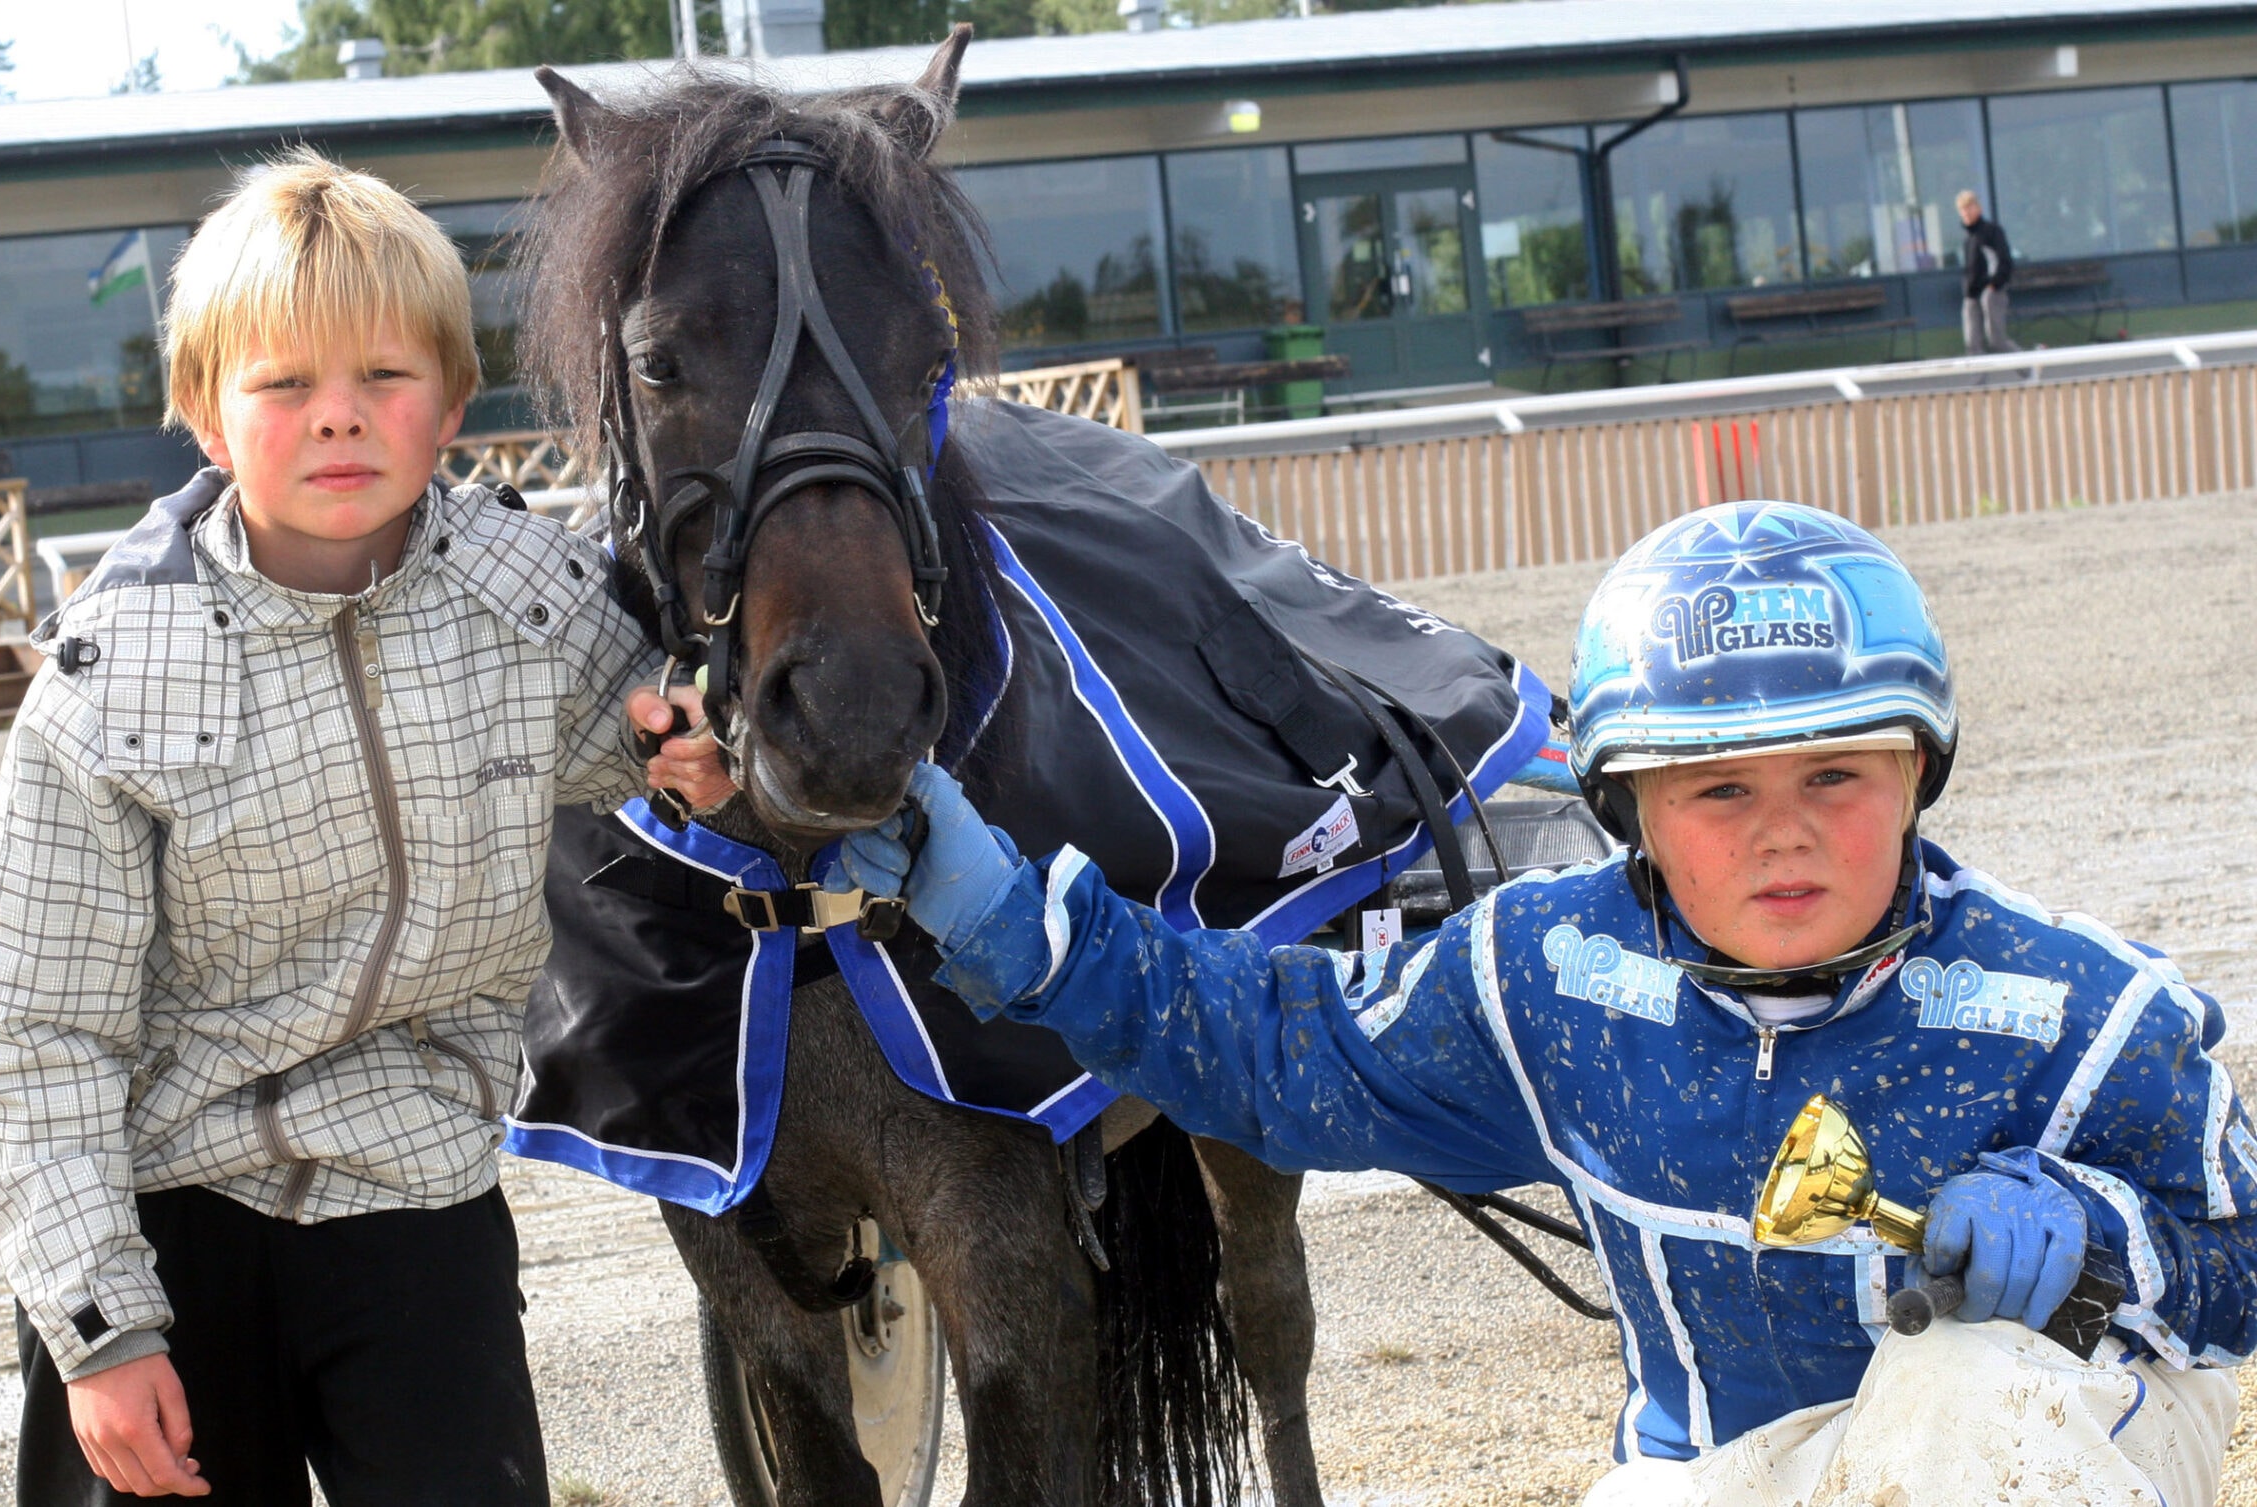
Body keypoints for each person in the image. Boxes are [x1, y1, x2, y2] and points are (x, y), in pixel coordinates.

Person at [833, 500, 2253, 1506]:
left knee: (1965, 1394)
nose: (1784, 833)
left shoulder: (2082, 1007)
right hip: (1715, 1464)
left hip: (2050, 1449)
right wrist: (1026, 933)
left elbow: (2241, 1259)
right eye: (1719, 789)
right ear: (1629, 806)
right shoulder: (1543, 978)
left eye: (1838, 773)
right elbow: (1285, 1051)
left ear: (1918, 775)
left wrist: (2107, 1232)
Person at [0, 149, 729, 1505]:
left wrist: (697, 755)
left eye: (384, 377)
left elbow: (645, 728)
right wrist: (100, 1328)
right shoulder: (115, 678)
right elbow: (28, 1030)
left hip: (413, 1188)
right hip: (163, 1208)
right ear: (205, 411)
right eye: (284, 383)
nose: (339, 419)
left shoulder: (529, 598)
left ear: (453, 406)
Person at [1959, 190, 2021, 355]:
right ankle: (1978, 381)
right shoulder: (1968, 239)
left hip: (1991, 293)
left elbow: (2004, 262)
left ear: (1978, 208)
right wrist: (1968, 290)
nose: (1966, 212)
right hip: (1972, 295)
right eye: (1963, 209)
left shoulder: (1992, 232)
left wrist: (1994, 285)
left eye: (1969, 207)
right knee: (1972, 343)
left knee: (1997, 341)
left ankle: (2029, 369)